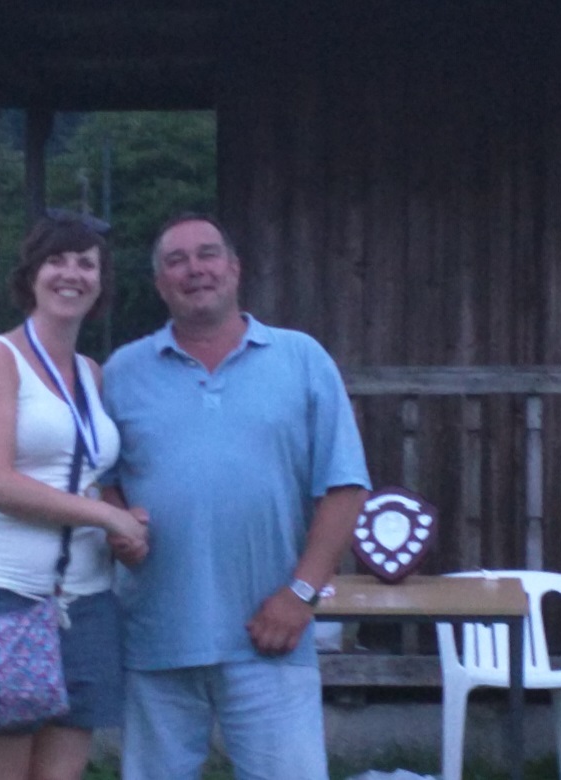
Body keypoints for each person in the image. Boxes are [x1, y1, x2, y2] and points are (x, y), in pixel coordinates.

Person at [102, 213, 371, 780]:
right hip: (157, 637)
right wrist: (118, 524)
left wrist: (300, 595)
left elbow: (345, 486)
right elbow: (104, 482)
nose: (194, 269)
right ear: (160, 284)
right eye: (176, 261)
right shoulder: (124, 372)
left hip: (271, 632)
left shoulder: (301, 358)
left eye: (208, 254)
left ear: (235, 268)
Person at [0, 214, 149, 780]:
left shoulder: (92, 374)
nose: (71, 273)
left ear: (100, 283)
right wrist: (106, 516)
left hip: (84, 601)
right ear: (31, 275)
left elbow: (85, 477)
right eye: (57, 260)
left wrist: (123, 528)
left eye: (86, 263)